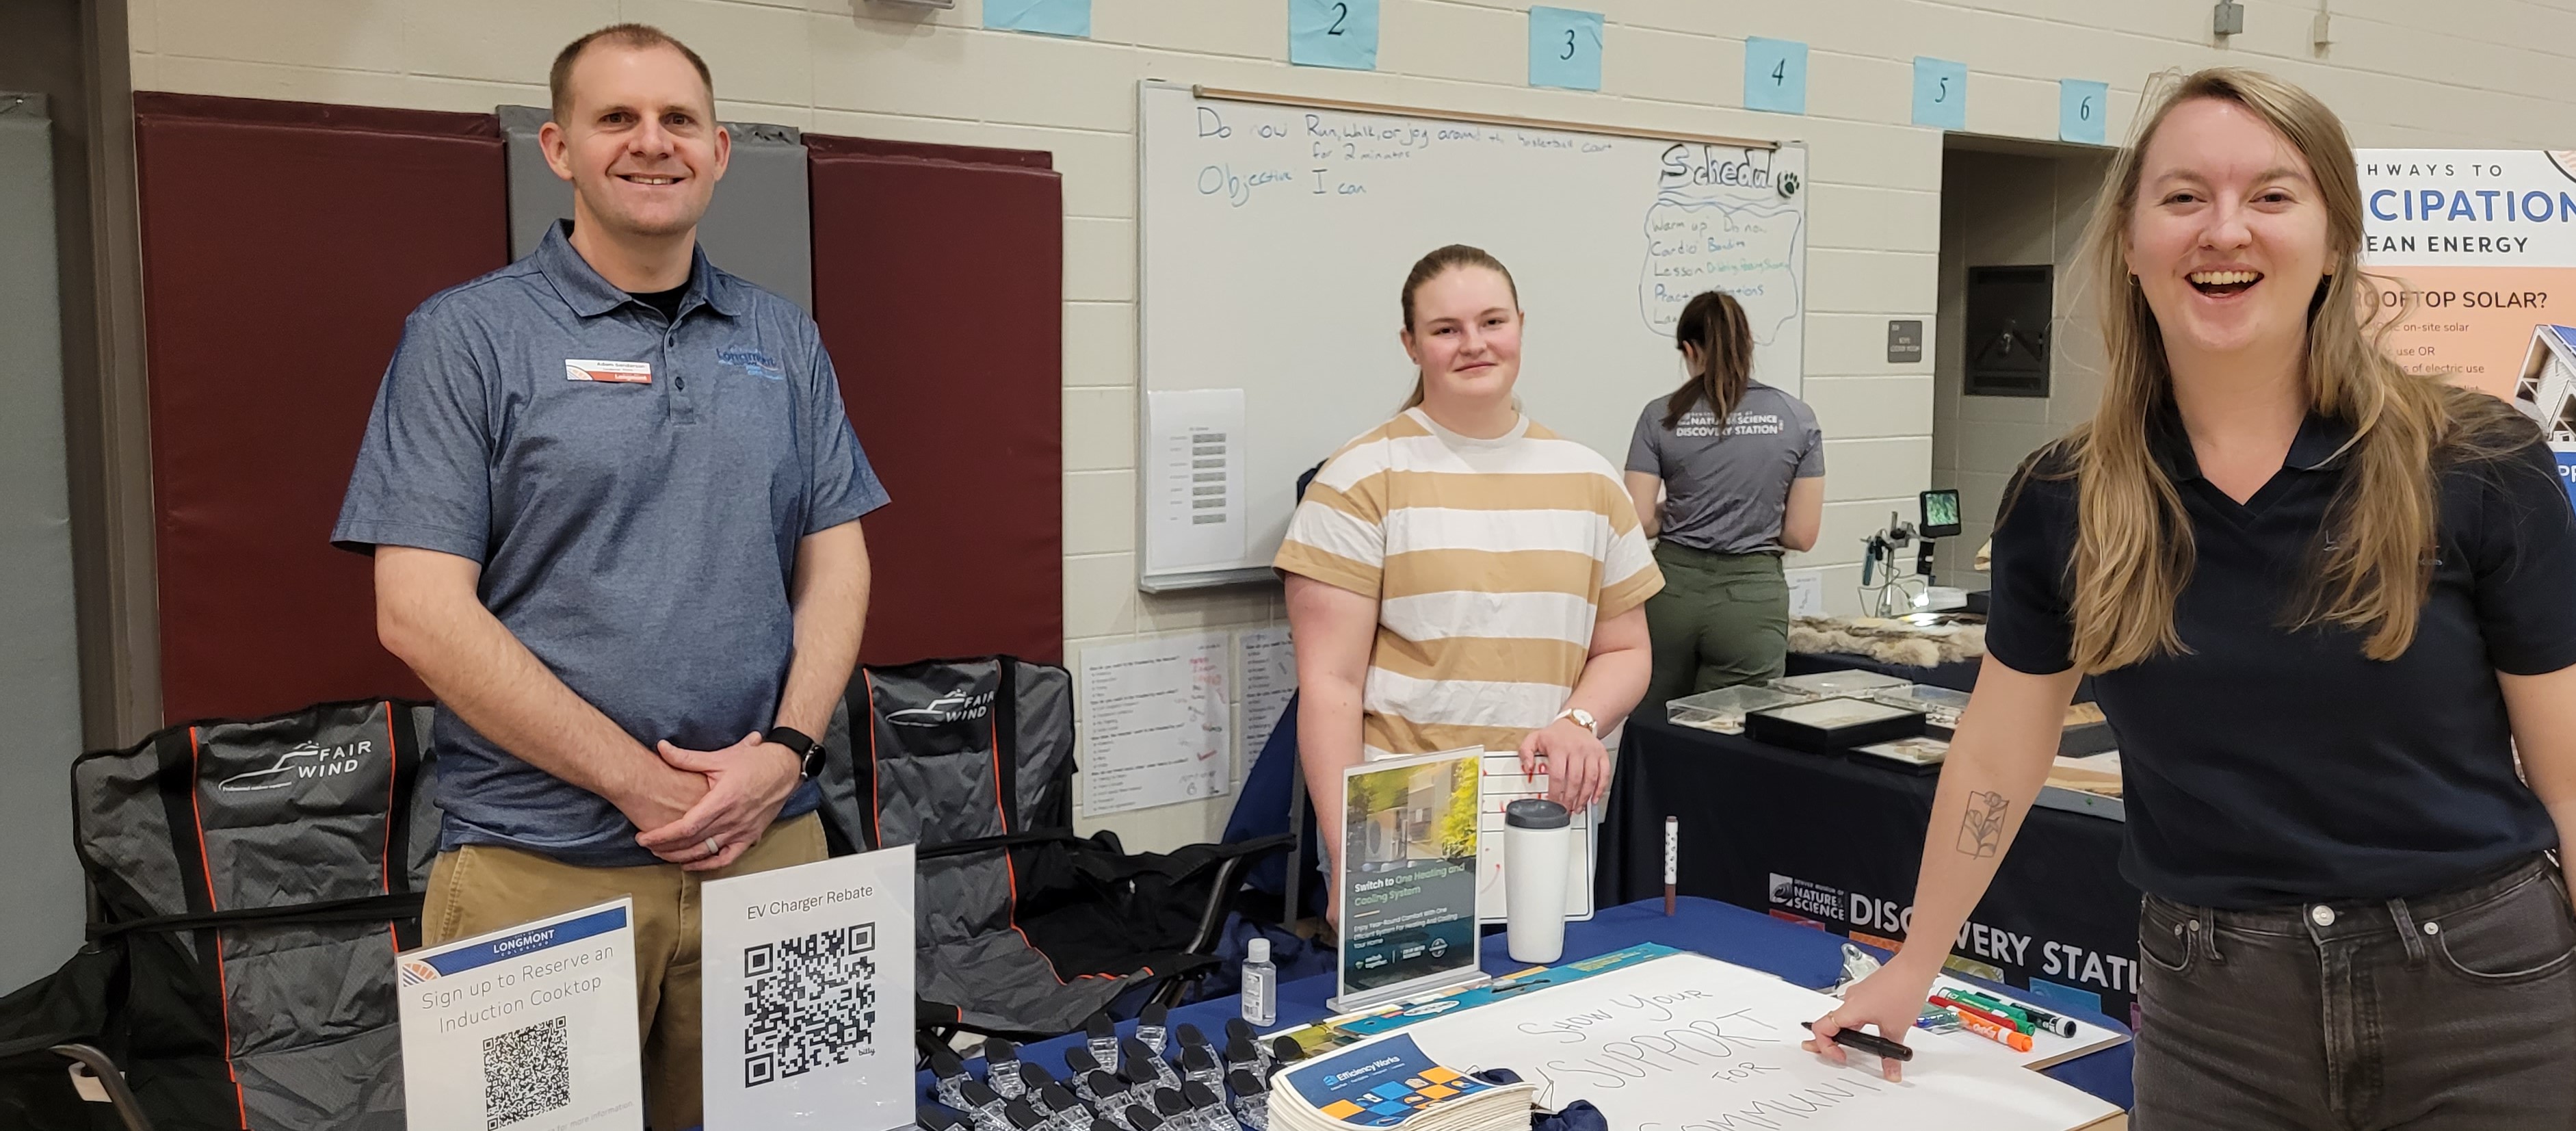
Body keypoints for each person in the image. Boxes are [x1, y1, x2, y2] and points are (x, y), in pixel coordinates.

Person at [1807, 68, 2576, 1128]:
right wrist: (1915, 962)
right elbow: (1994, 758)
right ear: (2129, 242)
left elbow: (2567, 779)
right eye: (2182, 197)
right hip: (2215, 1016)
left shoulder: (2476, 462)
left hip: (2482, 996)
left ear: (2334, 238)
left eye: (2270, 195)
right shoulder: (2066, 498)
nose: (2224, 230)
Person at [332, 24, 887, 1128]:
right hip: (539, 876)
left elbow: (838, 563)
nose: (652, 142)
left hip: (775, 852)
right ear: (558, 148)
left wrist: (785, 753)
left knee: (804, 1121)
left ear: (719, 151)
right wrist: (642, 784)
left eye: (679, 119)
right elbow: (419, 612)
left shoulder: (785, 340)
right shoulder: (466, 339)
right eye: (616, 118)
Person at [1275, 244, 1663, 924]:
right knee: (1417, 992)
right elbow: (1330, 685)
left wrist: (1579, 721)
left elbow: (1625, 650)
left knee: (1544, 984)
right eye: (1446, 329)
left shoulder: (1591, 480)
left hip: (1545, 804)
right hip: (1407, 808)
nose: (1474, 344)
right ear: (1411, 344)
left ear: (1520, 326)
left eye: (1492, 322)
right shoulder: (1359, 480)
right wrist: (1349, 860)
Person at [1622, 289, 1824, 712]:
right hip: (1751, 602)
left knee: (1655, 726)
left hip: (1670, 594)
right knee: (1735, 733)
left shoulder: (1659, 415)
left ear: (1689, 349)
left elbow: (1638, 520)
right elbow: (1801, 535)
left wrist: (1681, 511)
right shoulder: (1796, 417)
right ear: (1747, 345)